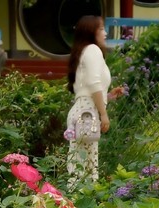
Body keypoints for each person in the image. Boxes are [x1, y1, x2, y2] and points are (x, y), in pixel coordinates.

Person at [64, 16, 111, 184]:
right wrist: (104, 114)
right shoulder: (92, 49)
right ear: (91, 32)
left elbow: (87, 89)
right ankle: (79, 206)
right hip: (87, 114)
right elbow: (93, 83)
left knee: (80, 164)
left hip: (83, 110)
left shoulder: (83, 51)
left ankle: (75, 205)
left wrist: (109, 96)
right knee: (85, 169)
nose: (105, 33)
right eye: (101, 29)